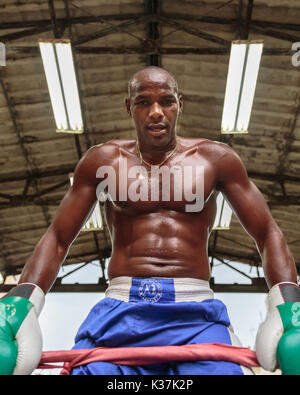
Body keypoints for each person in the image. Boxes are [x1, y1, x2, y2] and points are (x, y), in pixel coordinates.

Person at [0, 66, 299, 375]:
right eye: (143, 102)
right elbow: (58, 237)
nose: (156, 112)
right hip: (121, 310)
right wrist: (23, 302)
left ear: (180, 104)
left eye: (166, 101)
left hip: (194, 312)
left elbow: (266, 232)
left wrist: (289, 304)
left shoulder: (215, 159)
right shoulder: (103, 160)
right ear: (129, 107)